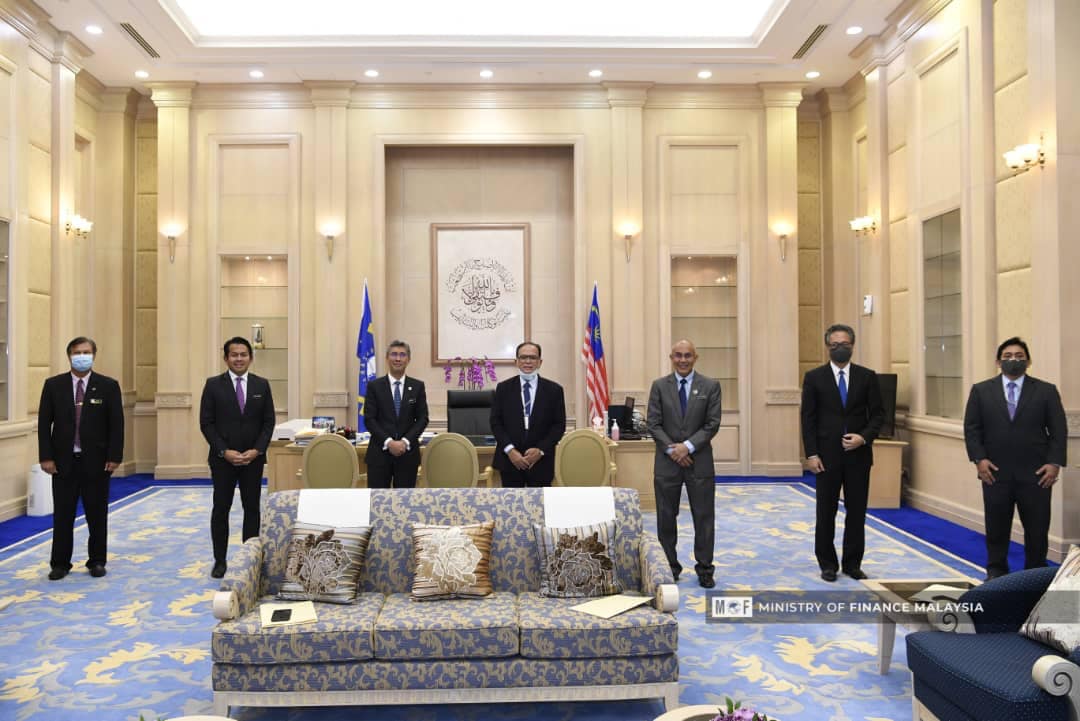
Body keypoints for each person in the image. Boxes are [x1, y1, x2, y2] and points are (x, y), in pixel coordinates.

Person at [963, 337, 1067, 580]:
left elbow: (1058, 430)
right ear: (998, 362)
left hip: (1037, 474)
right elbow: (972, 429)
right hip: (994, 472)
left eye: (1019, 356)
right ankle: (996, 572)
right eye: (1007, 356)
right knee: (996, 527)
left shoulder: (1046, 391)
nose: (1013, 360)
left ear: (1028, 361)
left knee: (1037, 529)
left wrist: (1054, 463)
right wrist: (979, 459)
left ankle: (1034, 575)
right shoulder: (981, 390)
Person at [801, 323, 884, 582]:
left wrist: (863, 437)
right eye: (835, 344)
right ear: (828, 346)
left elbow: (878, 415)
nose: (840, 348)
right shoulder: (814, 377)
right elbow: (808, 419)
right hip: (825, 457)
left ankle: (852, 564)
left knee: (856, 512)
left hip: (859, 456)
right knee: (825, 512)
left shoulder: (867, 376)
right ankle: (827, 564)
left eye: (845, 344)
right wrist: (811, 454)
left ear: (852, 346)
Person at [38, 337, 124, 580]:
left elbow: (116, 424)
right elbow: (44, 424)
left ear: (94, 355)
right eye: (77, 352)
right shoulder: (53, 385)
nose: (82, 356)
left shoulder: (108, 386)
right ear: (69, 356)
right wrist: (46, 457)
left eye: (86, 352)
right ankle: (60, 563)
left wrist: (115, 456)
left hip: (97, 462)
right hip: (63, 463)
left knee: (97, 514)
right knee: (63, 515)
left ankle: (97, 561)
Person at [646, 339, 722, 589]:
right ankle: (669, 567)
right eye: (678, 355)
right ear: (671, 358)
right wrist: (673, 450)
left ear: (695, 358)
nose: (683, 360)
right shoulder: (659, 386)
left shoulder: (710, 386)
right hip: (667, 463)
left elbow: (712, 424)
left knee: (704, 517)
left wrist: (687, 447)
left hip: (699, 462)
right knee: (666, 517)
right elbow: (653, 423)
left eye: (687, 355)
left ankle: (705, 568)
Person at [199, 337, 276, 579]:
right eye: (234, 355)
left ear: (250, 358)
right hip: (223, 460)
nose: (239, 359)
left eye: (243, 354)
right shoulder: (213, 385)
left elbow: (268, 422)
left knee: (252, 509)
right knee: (221, 509)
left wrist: (257, 450)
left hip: (253, 460)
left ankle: (248, 560)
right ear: (226, 358)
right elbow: (206, 423)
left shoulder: (262, 385)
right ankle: (220, 561)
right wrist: (225, 451)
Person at [490, 342, 566, 487]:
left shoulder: (554, 390)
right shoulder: (503, 388)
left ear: (540, 362)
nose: (528, 361)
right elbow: (496, 422)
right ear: (516, 361)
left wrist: (541, 450)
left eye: (533, 357)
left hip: (541, 462)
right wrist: (510, 450)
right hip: (510, 461)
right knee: (511, 501)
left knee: (540, 501)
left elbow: (558, 426)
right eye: (523, 357)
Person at [364, 340, 429, 488]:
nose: (398, 359)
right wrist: (389, 442)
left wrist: (404, 442)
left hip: (407, 456)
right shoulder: (374, 386)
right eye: (394, 354)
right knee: (378, 500)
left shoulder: (417, 386)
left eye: (402, 355)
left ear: (408, 359)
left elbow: (422, 418)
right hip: (379, 455)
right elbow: (369, 419)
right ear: (387, 358)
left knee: (405, 501)